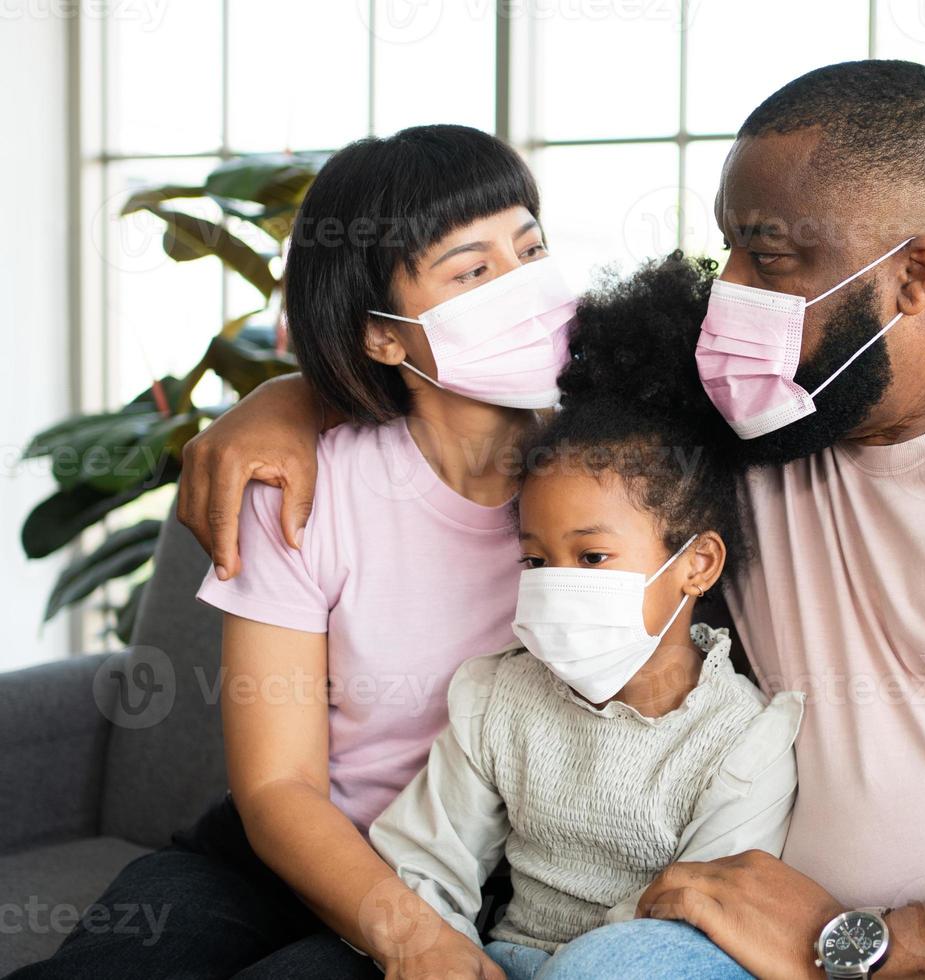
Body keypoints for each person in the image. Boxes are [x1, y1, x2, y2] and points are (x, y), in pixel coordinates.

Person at [171, 62, 925, 979]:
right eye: (725, 253)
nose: (730, 298)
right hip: (782, 947)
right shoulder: (740, 424)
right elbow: (519, 417)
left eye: (768, 259)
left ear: (912, 276)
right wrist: (288, 399)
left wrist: (862, 941)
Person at [13, 124, 574, 979]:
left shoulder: (614, 472)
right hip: (275, 856)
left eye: (530, 250)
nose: (523, 290)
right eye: (474, 271)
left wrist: (429, 927)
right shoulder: (304, 490)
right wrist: (410, 937)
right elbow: (277, 789)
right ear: (384, 336)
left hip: (473, 874)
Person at [369, 256, 801, 980]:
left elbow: (707, 911)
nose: (556, 585)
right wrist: (437, 949)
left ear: (696, 565)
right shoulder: (497, 700)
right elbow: (425, 860)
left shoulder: (742, 741)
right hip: (509, 960)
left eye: (593, 557)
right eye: (537, 561)